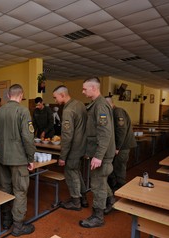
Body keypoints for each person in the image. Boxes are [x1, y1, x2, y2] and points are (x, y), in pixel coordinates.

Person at [0, 84, 36, 236]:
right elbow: (28, 138)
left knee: (5, 189)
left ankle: (5, 220)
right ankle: (18, 226)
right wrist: (30, 158)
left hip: (2, 158)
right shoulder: (23, 110)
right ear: (21, 95)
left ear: (8, 96)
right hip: (19, 159)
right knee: (20, 191)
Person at [80, 77, 115, 228]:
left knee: (97, 185)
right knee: (101, 181)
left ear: (94, 88)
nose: (82, 91)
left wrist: (98, 156)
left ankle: (97, 217)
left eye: (85, 89)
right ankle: (110, 201)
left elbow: (105, 133)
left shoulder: (100, 106)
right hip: (99, 152)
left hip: (101, 155)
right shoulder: (97, 104)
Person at [52, 85, 88, 210]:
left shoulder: (68, 110)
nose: (55, 100)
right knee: (77, 172)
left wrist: (62, 156)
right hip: (82, 145)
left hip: (73, 147)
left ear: (62, 95)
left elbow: (67, 136)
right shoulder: (80, 104)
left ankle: (75, 201)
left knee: (70, 173)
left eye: (55, 97)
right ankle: (83, 198)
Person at [105, 97, 137, 197]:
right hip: (120, 146)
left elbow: (121, 131)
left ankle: (120, 188)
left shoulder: (118, 112)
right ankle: (115, 185)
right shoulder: (113, 112)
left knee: (119, 167)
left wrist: (117, 147)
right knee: (115, 166)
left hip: (122, 146)